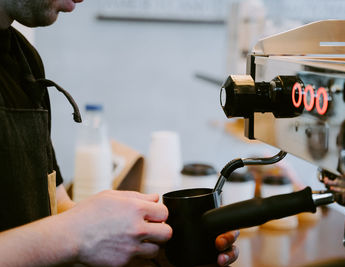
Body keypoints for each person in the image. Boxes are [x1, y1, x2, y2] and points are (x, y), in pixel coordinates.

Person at [0, 0, 239, 266]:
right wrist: (77, 233)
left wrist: (144, 240)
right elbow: (65, 232)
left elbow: (53, 207)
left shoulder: (23, 61)